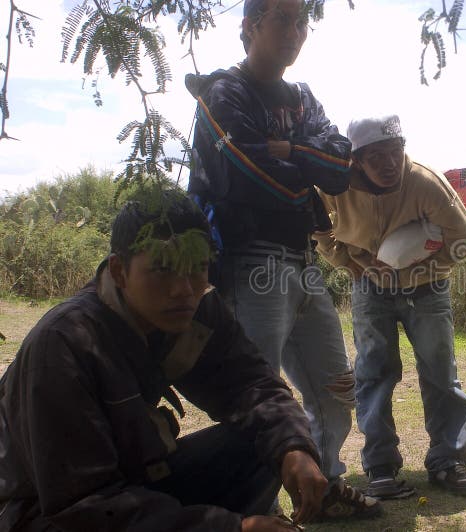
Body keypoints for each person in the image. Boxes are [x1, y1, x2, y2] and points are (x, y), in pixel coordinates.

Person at [0, 188, 328, 531]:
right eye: (163, 270)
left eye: (197, 267)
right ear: (119, 271)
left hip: (132, 485)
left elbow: (252, 385)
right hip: (41, 512)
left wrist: (294, 448)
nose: (183, 289)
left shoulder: (197, 309)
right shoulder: (65, 343)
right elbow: (81, 506)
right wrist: (231, 528)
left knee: (263, 438)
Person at [185, 0, 380, 519]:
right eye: (282, 20)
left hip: (301, 257)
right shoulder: (223, 92)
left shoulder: (303, 96)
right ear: (249, 27)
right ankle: (260, 505)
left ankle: (322, 485)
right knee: (257, 392)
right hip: (251, 260)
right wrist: (303, 165)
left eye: (302, 21)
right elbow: (248, 172)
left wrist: (290, 150)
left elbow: (341, 163)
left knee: (337, 387)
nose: (295, 31)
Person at [313, 114, 466, 499]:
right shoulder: (334, 186)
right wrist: (353, 265)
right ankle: (380, 467)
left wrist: (415, 267)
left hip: (428, 287)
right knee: (373, 373)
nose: (390, 163)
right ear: (355, 160)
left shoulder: (425, 182)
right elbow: (320, 230)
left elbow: (464, 239)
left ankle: (449, 462)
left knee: (441, 372)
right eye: (376, 156)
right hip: (368, 287)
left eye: (396, 150)